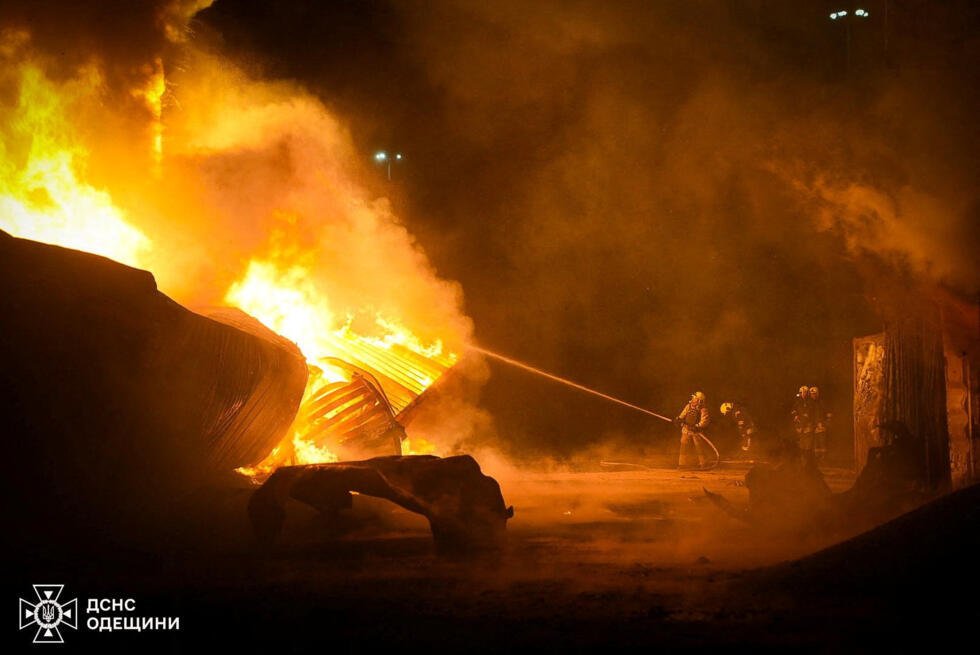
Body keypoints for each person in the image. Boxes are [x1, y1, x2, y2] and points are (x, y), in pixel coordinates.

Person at [676, 391, 711, 469]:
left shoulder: (703, 409)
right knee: (684, 446)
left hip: (697, 431)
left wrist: (697, 426)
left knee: (699, 447)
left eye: (694, 398)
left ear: (699, 400)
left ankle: (703, 463)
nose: (692, 399)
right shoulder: (688, 406)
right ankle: (682, 464)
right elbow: (682, 415)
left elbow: (704, 421)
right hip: (686, 429)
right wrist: (678, 419)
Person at [808, 386, 831, 462]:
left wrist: (824, 423)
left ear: (817, 394)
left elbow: (827, 413)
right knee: (815, 443)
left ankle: (824, 458)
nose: (813, 395)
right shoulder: (809, 403)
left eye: (814, 394)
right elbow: (809, 415)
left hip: (821, 425)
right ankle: (816, 459)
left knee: (822, 442)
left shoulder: (821, 402)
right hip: (813, 426)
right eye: (811, 394)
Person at [791, 385, 812, 459]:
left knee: (808, 441)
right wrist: (796, 415)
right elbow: (793, 410)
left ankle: (808, 457)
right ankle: (801, 456)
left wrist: (806, 416)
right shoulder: (798, 402)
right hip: (799, 424)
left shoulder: (810, 401)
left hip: (807, 424)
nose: (802, 394)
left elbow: (810, 412)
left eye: (804, 392)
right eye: (801, 392)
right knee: (800, 440)